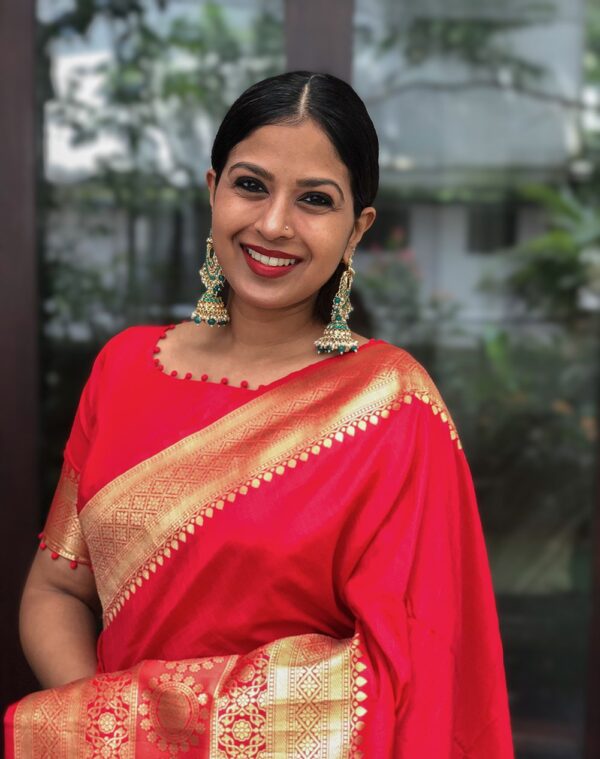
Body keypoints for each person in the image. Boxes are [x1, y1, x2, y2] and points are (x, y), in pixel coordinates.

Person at [5, 70, 514, 757]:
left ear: (357, 226)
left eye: (315, 199)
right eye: (251, 185)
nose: (274, 223)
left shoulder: (391, 407)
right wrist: (114, 732)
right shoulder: (125, 369)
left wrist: (158, 729)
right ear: (213, 190)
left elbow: (417, 670)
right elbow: (57, 589)